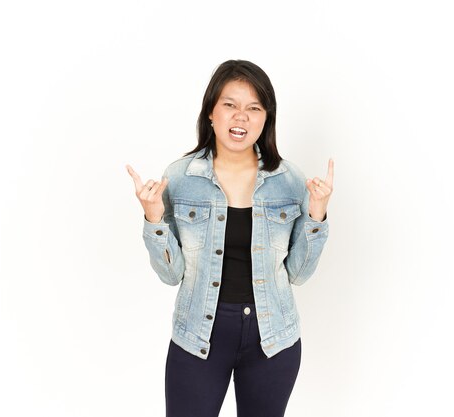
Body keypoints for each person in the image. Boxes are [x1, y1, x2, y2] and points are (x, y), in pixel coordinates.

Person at [126, 59, 333, 417]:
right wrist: (153, 218)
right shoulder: (180, 177)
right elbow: (170, 275)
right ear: (211, 113)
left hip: (273, 338)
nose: (241, 117)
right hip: (198, 336)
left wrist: (317, 214)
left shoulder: (289, 180)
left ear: (266, 118)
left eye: (254, 108)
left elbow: (299, 274)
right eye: (230, 105)